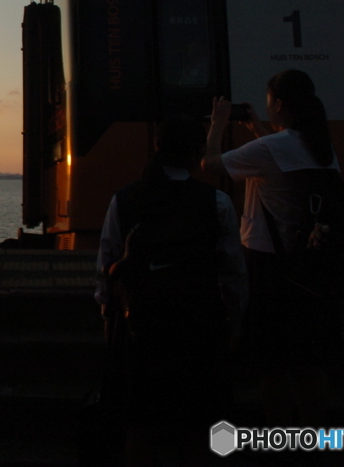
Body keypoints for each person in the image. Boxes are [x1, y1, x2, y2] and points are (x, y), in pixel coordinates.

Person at [97, 115, 247, 466]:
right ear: (197, 152)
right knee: (197, 426)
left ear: (157, 147)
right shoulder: (217, 202)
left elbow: (106, 267)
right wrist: (235, 324)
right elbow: (235, 274)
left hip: (142, 326)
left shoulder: (126, 200)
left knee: (141, 425)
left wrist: (108, 319)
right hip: (200, 323)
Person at [203, 69, 340, 428]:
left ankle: (279, 439)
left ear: (278, 104)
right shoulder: (322, 147)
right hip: (312, 267)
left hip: (270, 268)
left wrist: (217, 124)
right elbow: (282, 163)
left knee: (273, 364)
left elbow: (211, 164)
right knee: (311, 363)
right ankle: (312, 442)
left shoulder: (271, 148)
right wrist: (260, 132)